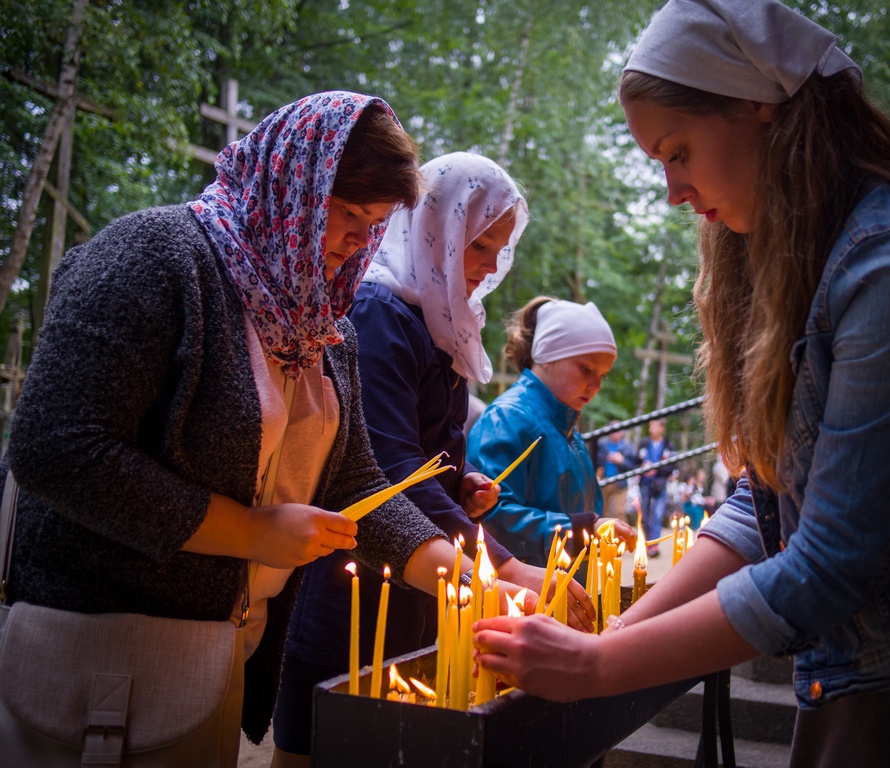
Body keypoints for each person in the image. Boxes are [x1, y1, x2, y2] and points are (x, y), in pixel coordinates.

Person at [473, 2, 890, 765]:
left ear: (759, 106)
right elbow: (759, 502)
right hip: (870, 674)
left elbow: (830, 562)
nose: (673, 190)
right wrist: (617, 634)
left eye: (678, 152)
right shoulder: (813, 258)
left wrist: (598, 665)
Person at [1, 90, 488, 756]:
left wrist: (463, 578)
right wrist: (250, 532)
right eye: (348, 212)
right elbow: (56, 447)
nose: (359, 239)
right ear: (291, 184)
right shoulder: (155, 257)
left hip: (223, 647)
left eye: (374, 223)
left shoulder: (323, 328)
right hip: (101, 657)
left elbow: (354, 482)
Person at [271, 152, 593, 765]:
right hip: (351, 583)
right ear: (434, 228)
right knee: (323, 742)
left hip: (422, 582)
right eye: (479, 245)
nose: (490, 266)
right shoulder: (380, 312)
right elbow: (385, 468)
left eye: (500, 250)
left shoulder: (437, 321)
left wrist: (459, 481)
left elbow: (421, 456)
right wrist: (507, 568)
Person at [467, 297, 636, 567]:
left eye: (603, 375)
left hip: (565, 585)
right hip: (525, 589)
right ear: (546, 355)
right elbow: (491, 518)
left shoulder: (566, 427)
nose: (596, 385)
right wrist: (583, 531)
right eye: (586, 369)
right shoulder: (506, 419)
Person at [637, 419, 676, 555]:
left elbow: (672, 465)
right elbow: (636, 460)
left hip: (660, 484)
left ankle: (654, 545)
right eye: (650, 426)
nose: (652, 429)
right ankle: (646, 542)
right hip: (645, 484)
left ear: (662, 428)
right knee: (645, 515)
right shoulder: (644, 443)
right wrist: (643, 467)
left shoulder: (668, 445)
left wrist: (656, 469)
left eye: (655, 426)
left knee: (658, 514)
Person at [596, 429, 638, 523]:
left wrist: (622, 461)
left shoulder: (627, 447)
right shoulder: (602, 445)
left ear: (621, 433)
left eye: (618, 432)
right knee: (602, 511)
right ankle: (603, 531)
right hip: (604, 482)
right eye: (613, 431)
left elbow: (633, 466)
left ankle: (621, 531)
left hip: (621, 484)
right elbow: (595, 461)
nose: (615, 434)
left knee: (620, 512)